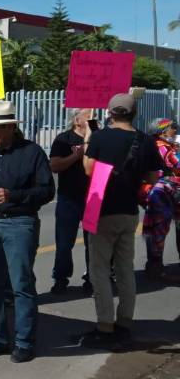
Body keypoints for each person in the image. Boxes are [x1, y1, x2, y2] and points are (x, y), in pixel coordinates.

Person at [0, 100, 55, 363]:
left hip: (19, 223)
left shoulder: (33, 153)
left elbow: (47, 191)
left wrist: (13, 195)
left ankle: (24, 342)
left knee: (21, 285)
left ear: (9, 126)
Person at [81, 93, 162, 347]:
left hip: (102, 209)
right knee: (125, 269)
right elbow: (152, 177)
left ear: (110, 113)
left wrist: (87, 142)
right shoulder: (145, 141)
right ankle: (124, 322)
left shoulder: (100, 136)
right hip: (129, 212)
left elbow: (88, 169)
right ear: (134, 113)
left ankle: (104, 325)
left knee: (100, 270)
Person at [49, 108, 94, 295]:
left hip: (94, 198)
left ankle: (92, 278)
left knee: (93, 242)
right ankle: (61, 278)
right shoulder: (64, 139)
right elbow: (54, 166)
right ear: (76, 120)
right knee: (64, 242)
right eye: (88, 114)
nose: (93, 116)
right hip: (69, 198)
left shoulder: (98, 138)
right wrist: (75, 156)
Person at [141, 118, 180, 282]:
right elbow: (177, 166)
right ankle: (155, 267)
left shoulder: (160, 146)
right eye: (173, 128)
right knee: (159, 228)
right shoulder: (162, 147)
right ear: (162, 131)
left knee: (155, 227)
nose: (175, 131)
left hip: (159, 193)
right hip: (163, 194)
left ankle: (154, 266)